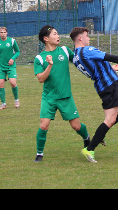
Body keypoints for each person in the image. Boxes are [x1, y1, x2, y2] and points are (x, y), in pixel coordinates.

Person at [68, 25, 118, 162]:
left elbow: (95, 69)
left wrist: (110, 69)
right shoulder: (86, 50)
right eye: (87, 36)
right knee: (110, 119)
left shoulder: (76, 57)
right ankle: (89, 149)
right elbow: (109, 56)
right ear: (80, 38)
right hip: (107, 86)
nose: (89, 38)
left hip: (112, 82)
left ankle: (101, 133)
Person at [32, 25, 94, 161]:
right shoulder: (40, 58)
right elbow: (41, 79)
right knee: (43, 125)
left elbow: (80, 62)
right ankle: (39, 154)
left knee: (76, 126)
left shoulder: (65, 51)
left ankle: (86, 137)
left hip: (65, 97)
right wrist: (50, 65)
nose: (58, 36)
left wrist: (102, 68)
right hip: (49, 98)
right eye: (54, 34)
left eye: (57, 33)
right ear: (46, 38)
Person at [0, 25, 20, 109]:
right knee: (0, 84)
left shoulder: (12, 41)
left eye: (4, 32)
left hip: (11, 66)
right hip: (1, 67)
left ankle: (16, 100)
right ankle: (3, 103)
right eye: (1, 32)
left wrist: (12, 58)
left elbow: (18, 52)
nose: (3, 34)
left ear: (7, 33)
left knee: (13, 83)